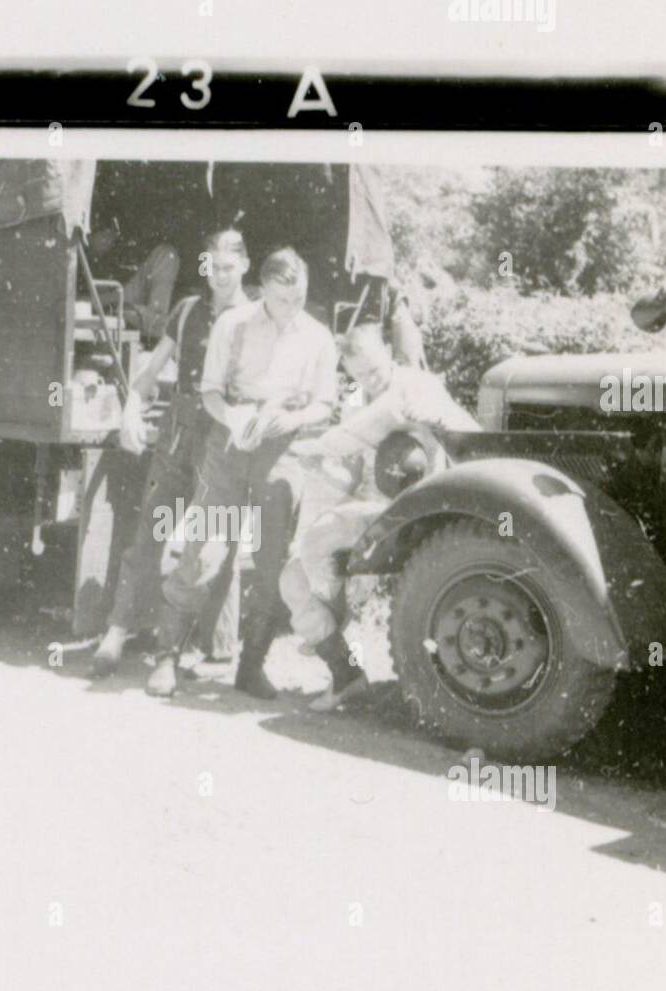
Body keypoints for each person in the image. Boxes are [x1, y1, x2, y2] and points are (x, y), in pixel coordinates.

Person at [146, 248, 339, 700]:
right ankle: (166, 657)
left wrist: (293, 420)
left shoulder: (318, 337)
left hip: (283, 447)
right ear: (263, 291)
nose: (290, 309)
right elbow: (210, 392)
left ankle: (251, 665)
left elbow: (325, 403)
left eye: (298, 298)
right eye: (281, 299)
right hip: (231, 442)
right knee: (204, 550)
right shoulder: (232, 326)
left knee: (273, 562)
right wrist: (234, 419)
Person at [280, 323, 480, 712]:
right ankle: (348, 675)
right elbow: (349, 476)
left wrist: (319, 443)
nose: (370, 380)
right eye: (359, 376)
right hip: (374, 513)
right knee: (292, 578)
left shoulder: (417, 386)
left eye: (374, 369)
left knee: (319, 537)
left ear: (388, 351)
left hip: (421, 509)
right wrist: (318, 465)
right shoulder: (357, 402)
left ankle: (337, 612)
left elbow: (466, 435)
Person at [90, 229, 253, 677]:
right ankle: (118, 631)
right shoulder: (187, 312)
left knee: (217, 539)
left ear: (244, 265)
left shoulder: (257, 318)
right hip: (179, 432)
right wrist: (131, 409)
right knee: (152, 528)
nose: (219, 276)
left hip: (227, 437)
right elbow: (149, 372)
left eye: (227, 267)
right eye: (212, 267)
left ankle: (217, 649)